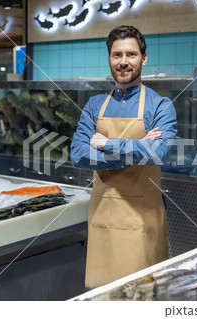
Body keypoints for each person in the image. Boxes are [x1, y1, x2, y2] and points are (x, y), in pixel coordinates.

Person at [71, 25, 177, 289]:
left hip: (143, 222)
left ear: (144, 58)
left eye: (131, 54)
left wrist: (106, 143)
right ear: (109, 59)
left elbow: (157, 152)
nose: (123, 62)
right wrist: (135, 149)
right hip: (103, 220)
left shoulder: (161, 105)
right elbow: (79, 155)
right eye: (116, 55)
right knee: (102, 299)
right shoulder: (95, 105)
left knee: (141, 298)